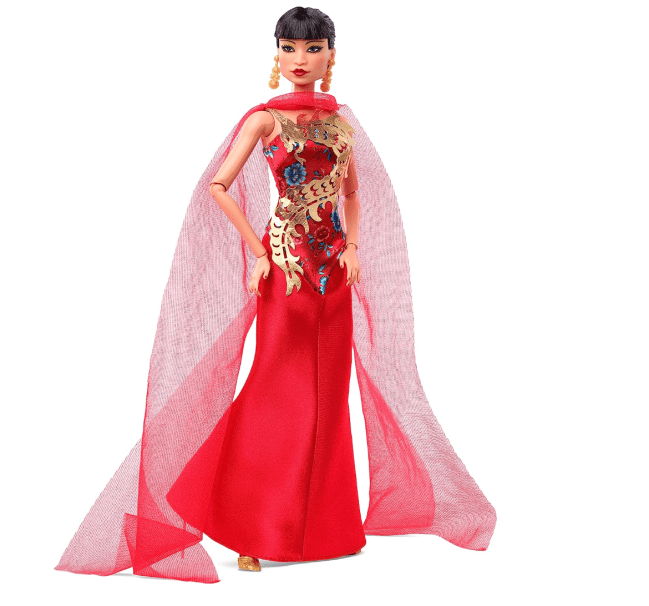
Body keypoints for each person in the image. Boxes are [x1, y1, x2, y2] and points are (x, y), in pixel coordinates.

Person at [55, 7, 496, 584]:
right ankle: (247, 524)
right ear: (276, 55)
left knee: (328, 398)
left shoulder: (340, 125)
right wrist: (259, 251)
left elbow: (352, 193)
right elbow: (219, 185)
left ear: (331, 55)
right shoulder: (265, 120)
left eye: (312, 49)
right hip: (286, 269)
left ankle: (327, 529)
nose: (300, 60)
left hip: (333, 272)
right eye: (289, 48)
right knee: (276, 390)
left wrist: (354, 246)